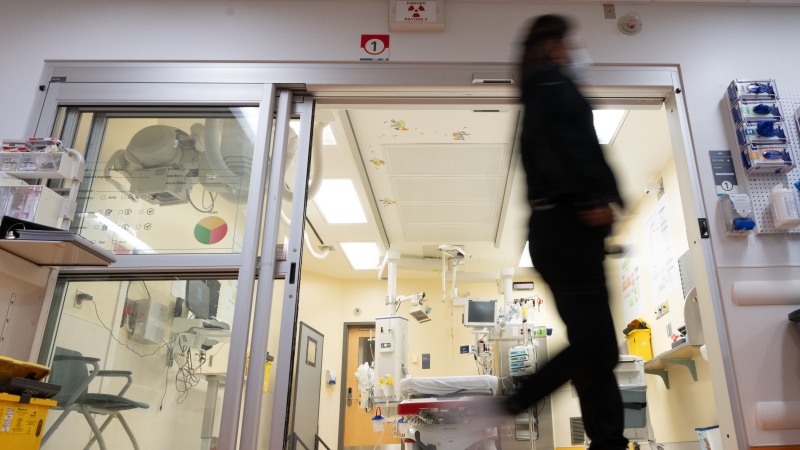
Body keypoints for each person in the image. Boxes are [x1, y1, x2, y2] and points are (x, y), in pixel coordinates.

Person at [508, 14, 628, 450]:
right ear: (554, 44)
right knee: (598, 347)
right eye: (569, 42)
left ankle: (608, 441)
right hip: (567, 225)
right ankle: (512, 403)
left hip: (558, 229)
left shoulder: (539, 87)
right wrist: (589, 200)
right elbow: (564, 147)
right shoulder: (551, 84)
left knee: (595, 349)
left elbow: (564, 147)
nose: (575, 50)